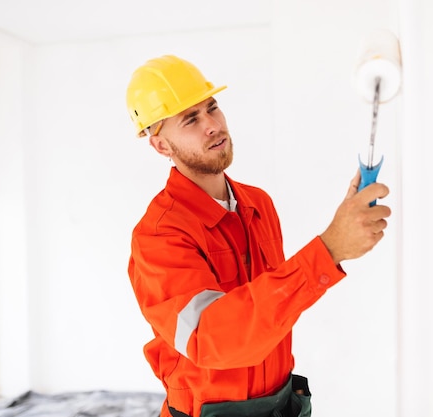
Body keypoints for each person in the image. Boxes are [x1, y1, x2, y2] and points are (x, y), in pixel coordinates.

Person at [126, 55, 391, 417]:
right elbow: (212, 338)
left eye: (212, 108)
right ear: (161, 146)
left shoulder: (258, 204)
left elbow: (270, 307)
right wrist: (328, 250)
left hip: (281, 406)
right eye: (190, 119)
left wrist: (341, 242)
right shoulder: (159, 235)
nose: (212, 125)